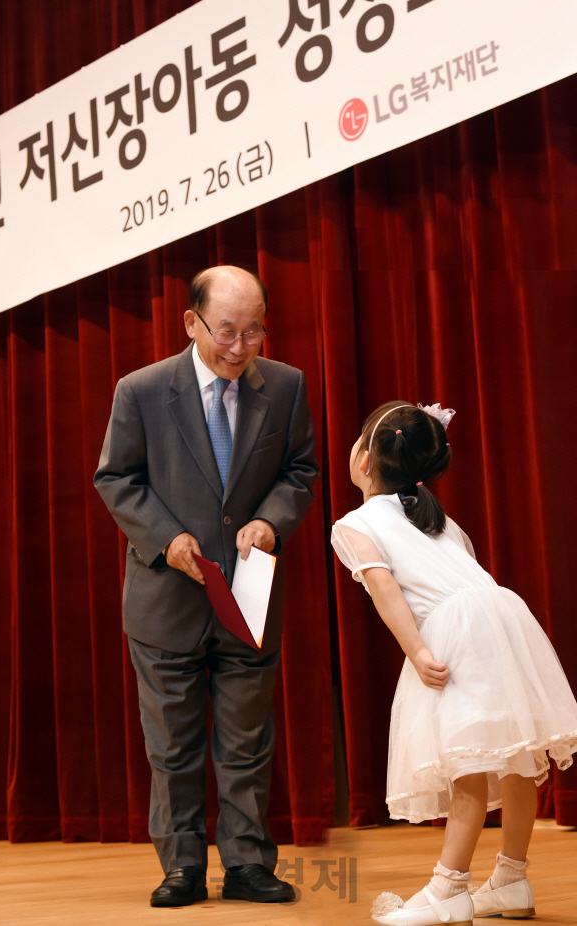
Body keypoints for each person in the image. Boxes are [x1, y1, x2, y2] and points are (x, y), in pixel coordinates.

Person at [94, 265, 319, 907]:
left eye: (254, 332)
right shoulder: (140, 391)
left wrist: (271, 522)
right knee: (173, 746)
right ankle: (183, 867)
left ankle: (248, 865)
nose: (241, 347)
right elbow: (116, 479)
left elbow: (300, 470)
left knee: (247, 742)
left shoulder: (285, 386)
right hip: (167, 598)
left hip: (247, 598)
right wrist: (166, 539)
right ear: (192, 323)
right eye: (227, 331)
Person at [332, 401, 577, 926]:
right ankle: (511, 879)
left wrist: (418, 650)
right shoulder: (435, 516)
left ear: (364, 460)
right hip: (503, 618)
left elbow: (385, 591)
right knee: (515, 754)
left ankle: (451, 888)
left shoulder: (355, 524)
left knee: (467, 760)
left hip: (455, 632)